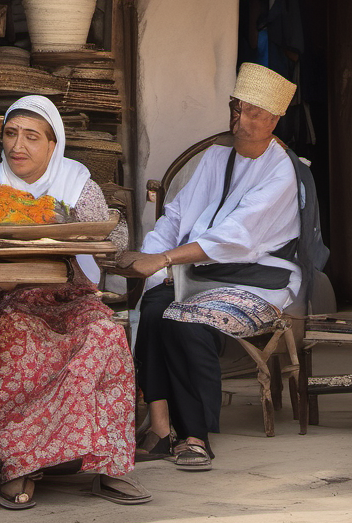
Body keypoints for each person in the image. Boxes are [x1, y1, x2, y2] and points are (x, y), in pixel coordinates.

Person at [108, 63, 300, 472]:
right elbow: (176, 216)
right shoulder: (216, 157)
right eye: (236, 108)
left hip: (258, 280)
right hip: (201, 274)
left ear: (275, 119)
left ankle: (196, 436)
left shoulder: (282, 171)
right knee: (157, 308)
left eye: (254, 114)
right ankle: (160, 430)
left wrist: (162, 260)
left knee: (185, 321)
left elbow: (235, 238)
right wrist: (152, 264)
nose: (240, 120)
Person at [0, 95, 150, 508]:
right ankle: (20, 463)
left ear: (53, 145)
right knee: (21, 339)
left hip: (69, 296)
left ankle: (109, 465)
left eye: (32, 137)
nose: (18, 146)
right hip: (5, 301)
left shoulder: (76, 183)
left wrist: (62, 223)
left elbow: (114, 239)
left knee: (103, 334)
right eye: (11, 134)